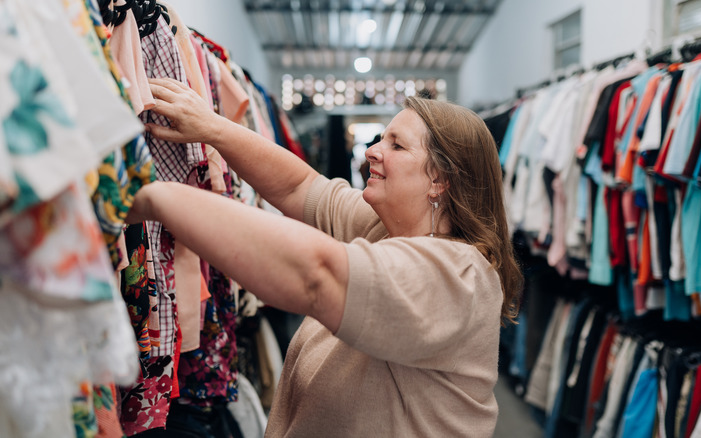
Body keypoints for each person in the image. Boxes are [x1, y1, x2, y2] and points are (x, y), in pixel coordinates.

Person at [128, 77, 523, 437]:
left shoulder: (456, 276)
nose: (371, 151)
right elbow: (300, 187)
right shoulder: (385, 227)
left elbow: (316, 276)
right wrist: (212, 128)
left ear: (439, 180)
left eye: (396, 145)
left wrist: (151, 197)